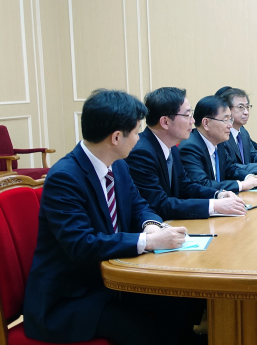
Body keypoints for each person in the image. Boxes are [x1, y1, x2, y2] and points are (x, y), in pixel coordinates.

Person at [23, 89, 201, 345]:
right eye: (137, 131)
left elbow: (139, 205)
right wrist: (148, 242)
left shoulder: (117, 164)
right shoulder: (64, 177)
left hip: (106, 282)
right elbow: (81, 245)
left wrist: (151, 226)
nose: (140, 138)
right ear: (116, 137)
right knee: (140, 328)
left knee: (182, 299)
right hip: (71, 296)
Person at [125, 87, 247, 219]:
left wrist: (218, 194)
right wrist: (214, 206)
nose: (193, 121)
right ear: (165, 122)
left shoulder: (172, 148)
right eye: (187, 115)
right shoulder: (141, 153)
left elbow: (186, 186)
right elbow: (159, 204)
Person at [178, 95, 257, 192]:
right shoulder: (190, 147)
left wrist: (248, 177)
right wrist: (241, 185)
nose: (230, 125)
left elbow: (230, 169)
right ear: (206, 123)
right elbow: (201, 184)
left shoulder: (218, 142)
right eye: (225, 120)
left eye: (230, 119)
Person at [216, 87, 257, 174]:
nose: (246, 112)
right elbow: (229, 167)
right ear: (227, 109)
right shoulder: (221, 135)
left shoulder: (243, 132)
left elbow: (254, 154)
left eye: (247, 107)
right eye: (241, 107)